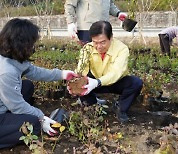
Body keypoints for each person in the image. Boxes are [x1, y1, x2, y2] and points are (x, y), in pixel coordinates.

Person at [0, 18, 77, 149]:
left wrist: (62, 74)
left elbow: (34, 71)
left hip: (5, 103)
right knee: (34, 124)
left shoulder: (12, 57)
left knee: (27, 86)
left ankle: (11, 120)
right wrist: (42, 118)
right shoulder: (6, 71)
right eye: (31, 44)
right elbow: (17, 106)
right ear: (20, 43)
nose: (33, 47)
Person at [68, 21, 143, 122]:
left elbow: (116, 73)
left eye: (103, 42)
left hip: (115, 82)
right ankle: (93, 106)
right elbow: (81, 71)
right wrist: (75, 84)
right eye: (95, 42)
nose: (99, 46)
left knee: (135, 83)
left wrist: (98, 82)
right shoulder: (87, 49)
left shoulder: (122, 49)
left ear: (111, 37)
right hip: (94, 82)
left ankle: (121, 108)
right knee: (81, 83)